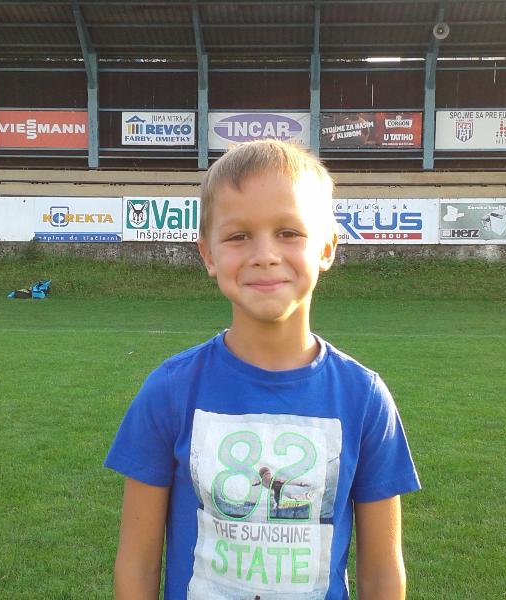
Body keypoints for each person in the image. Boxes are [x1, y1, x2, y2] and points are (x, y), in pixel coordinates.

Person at [105, 139, 420, 599]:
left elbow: (382, 574)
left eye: (289, 232)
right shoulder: (170, 391)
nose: (265, 254)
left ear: (327, 247)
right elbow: (137, 564)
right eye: (238, 236)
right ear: (208, 254)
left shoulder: (364, 398)